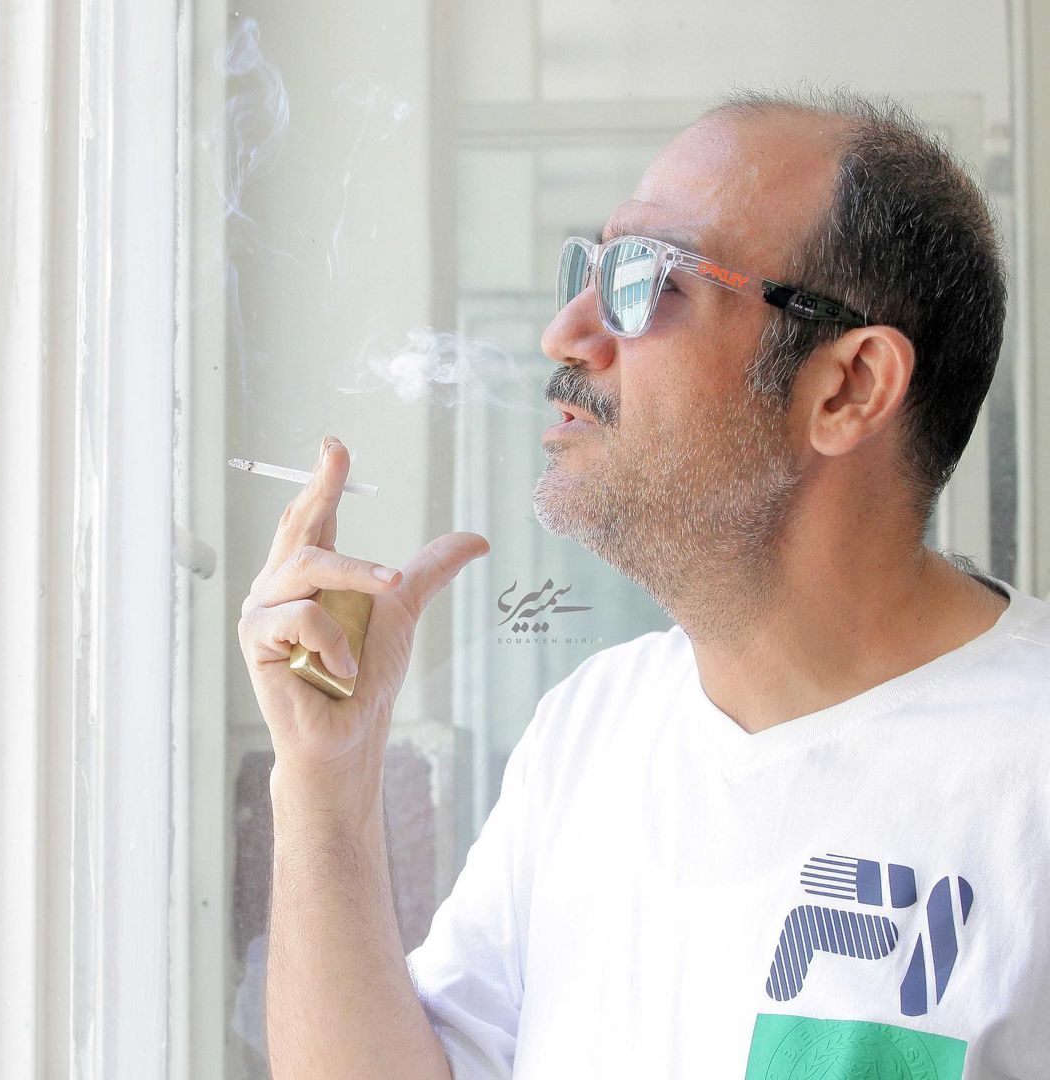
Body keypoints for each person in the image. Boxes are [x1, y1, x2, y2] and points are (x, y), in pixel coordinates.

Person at [237, 86, 1050, 1079]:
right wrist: (324, 781)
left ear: (847, 387)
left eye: (647, 278)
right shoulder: (593, 728)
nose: (565, 333)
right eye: (589, 268)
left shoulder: (1026, 772)